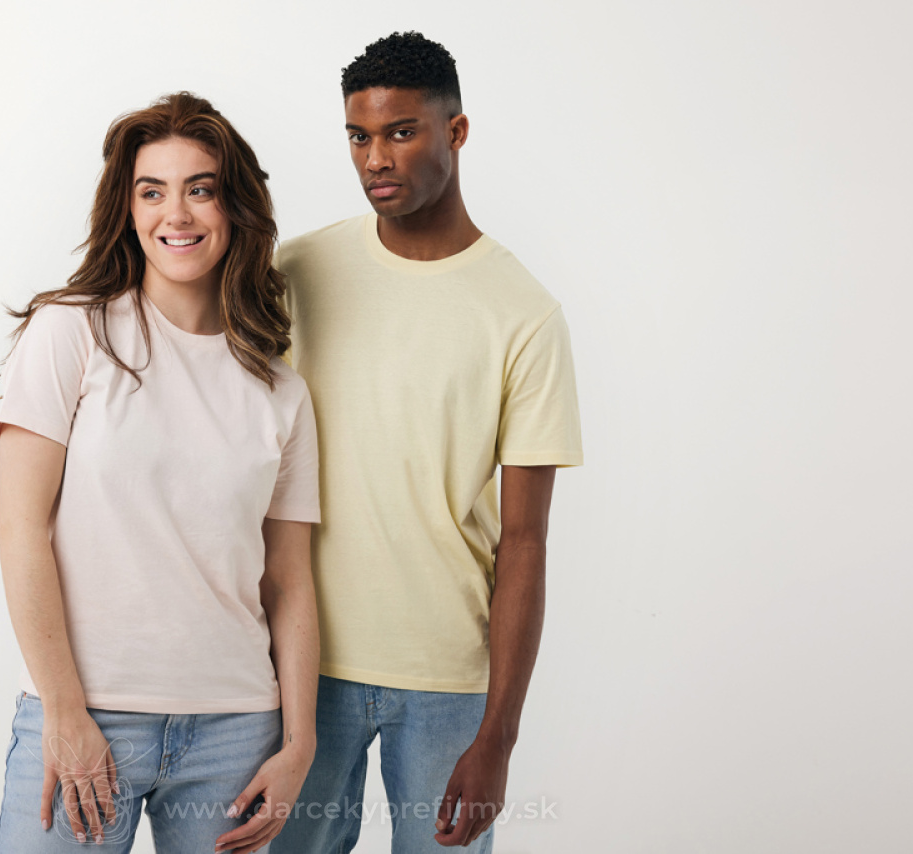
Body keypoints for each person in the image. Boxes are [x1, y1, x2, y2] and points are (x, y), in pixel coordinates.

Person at [270, 33, 584, 853]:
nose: (375, 158)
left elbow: (525, 540)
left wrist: (499, 739)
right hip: (302, 664)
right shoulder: (298, 271)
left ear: (457, 130)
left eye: (401, 132)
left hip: (447, 678)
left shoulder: (524, 314)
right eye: (359, 136)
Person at [0, 92, 321, 854]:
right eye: (152, 191)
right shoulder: (71, 334)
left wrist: (299, 744)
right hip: (85, 714)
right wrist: (64, 711)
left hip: (237, 732)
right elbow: (20, 529)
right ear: (128, 209)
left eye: (200, 188)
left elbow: (290, 582)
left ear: (235, 207)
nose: (176, 213)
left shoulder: (281, 392)